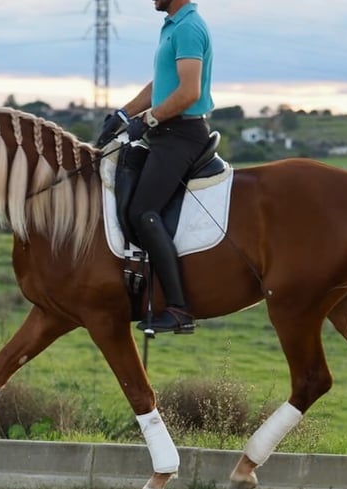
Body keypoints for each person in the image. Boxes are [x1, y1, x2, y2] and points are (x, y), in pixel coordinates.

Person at [97, 0, 214, 334]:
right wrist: (124, 114)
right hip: (165, 133)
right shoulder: (173, 26)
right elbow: (162, 85)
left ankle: (178, 309)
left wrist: (146, 120)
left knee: (143, 210)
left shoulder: (189, 27)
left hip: (182, 136)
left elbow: (189, 91)